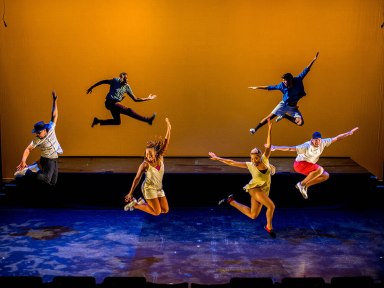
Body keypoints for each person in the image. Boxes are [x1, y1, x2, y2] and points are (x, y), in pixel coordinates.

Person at [208, 119, 277, 238]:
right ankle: (269, 227)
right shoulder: (250, 165)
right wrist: (218, 158)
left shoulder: (265, 160)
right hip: (255, 189)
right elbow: (232, 163)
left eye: (255, 158)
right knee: (271, 206)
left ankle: (231, 201)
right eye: (251, 158)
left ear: (260, 157)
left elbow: (269, 145)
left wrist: (269, 128)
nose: (253, 160)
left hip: (264, 190)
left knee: (253, 215)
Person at [270, 127, 359, 199]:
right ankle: (301, 184)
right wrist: (275, 147)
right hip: (300, 164)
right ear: (311, 140)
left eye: (319, 140)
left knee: (325, 176)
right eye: (315, 140)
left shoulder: (323, 142)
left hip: (309, 165)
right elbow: (289, 148)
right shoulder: (306, 146)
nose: (317, 142)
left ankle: (305, 186)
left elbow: (337, 138)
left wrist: (348, 133)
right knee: (320, 169)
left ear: (321, 139)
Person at [248, 52, 319, 135]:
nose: (284, 82)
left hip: (292, 107)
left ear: (291, 79)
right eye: (283, 80)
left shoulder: (298, 80)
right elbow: (269, 87)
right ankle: (255, 129)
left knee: (300, 123)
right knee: (269, 117)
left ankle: (284, 116)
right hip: (283, 105)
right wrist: (257, 87)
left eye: (286, 80)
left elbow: (306, 70)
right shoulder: (281, 86)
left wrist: (313, 60)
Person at [124, 118, 171, 216]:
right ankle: (135, 204)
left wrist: (169, 128)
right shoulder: (145, 164)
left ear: (156, 153)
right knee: (157, 212)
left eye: (150, 154)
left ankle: (141, 203)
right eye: (147, 154)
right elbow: (137, 178)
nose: (148, 157)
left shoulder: (160, 158)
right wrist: (130, 193)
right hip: (148, 188)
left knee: (165, 210)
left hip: (158, 188)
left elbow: (166, 142)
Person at [15, 90, 63, 186]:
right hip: (46, 159)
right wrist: (23, 161)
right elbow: (28, 149)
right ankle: (28, 171)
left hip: (54, 157)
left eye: (39, 132)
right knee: (46, 179)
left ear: (45, 130)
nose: (38, 134)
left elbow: (54, 115)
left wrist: (54, 101)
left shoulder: (51, 128)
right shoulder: (37, 140)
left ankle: (35, 168)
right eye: (36, 133)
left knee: (53, 182)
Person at [86, 72, 157, 127]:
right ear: (121, 78)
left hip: (115, 104)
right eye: (124, 78)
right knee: (129, 110)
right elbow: (103, 81)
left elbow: (135, 99)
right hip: (109, 103)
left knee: (117, 122)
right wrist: (92, 87)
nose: (126, 79)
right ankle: (147, 120)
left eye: (127, 78)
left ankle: (98, 121)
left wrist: (148, 98)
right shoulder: (115, 80)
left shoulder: (127, 87)